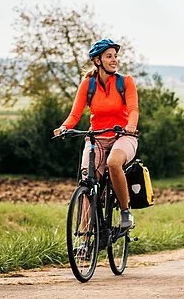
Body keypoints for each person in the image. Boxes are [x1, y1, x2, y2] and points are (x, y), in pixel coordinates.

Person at [53, 38, 139, 229]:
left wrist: (131, 125)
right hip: (97, 137)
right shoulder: (88, 84)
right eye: (109, 56)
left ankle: (125, 213)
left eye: (115, 56)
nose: (114, 60)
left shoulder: (125, 82)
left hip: (123, 136)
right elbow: (75, 114)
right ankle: (85, 239)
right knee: (87, 181)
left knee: (113, 163)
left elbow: (133, 110)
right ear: (98, 60)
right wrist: (64, 127)